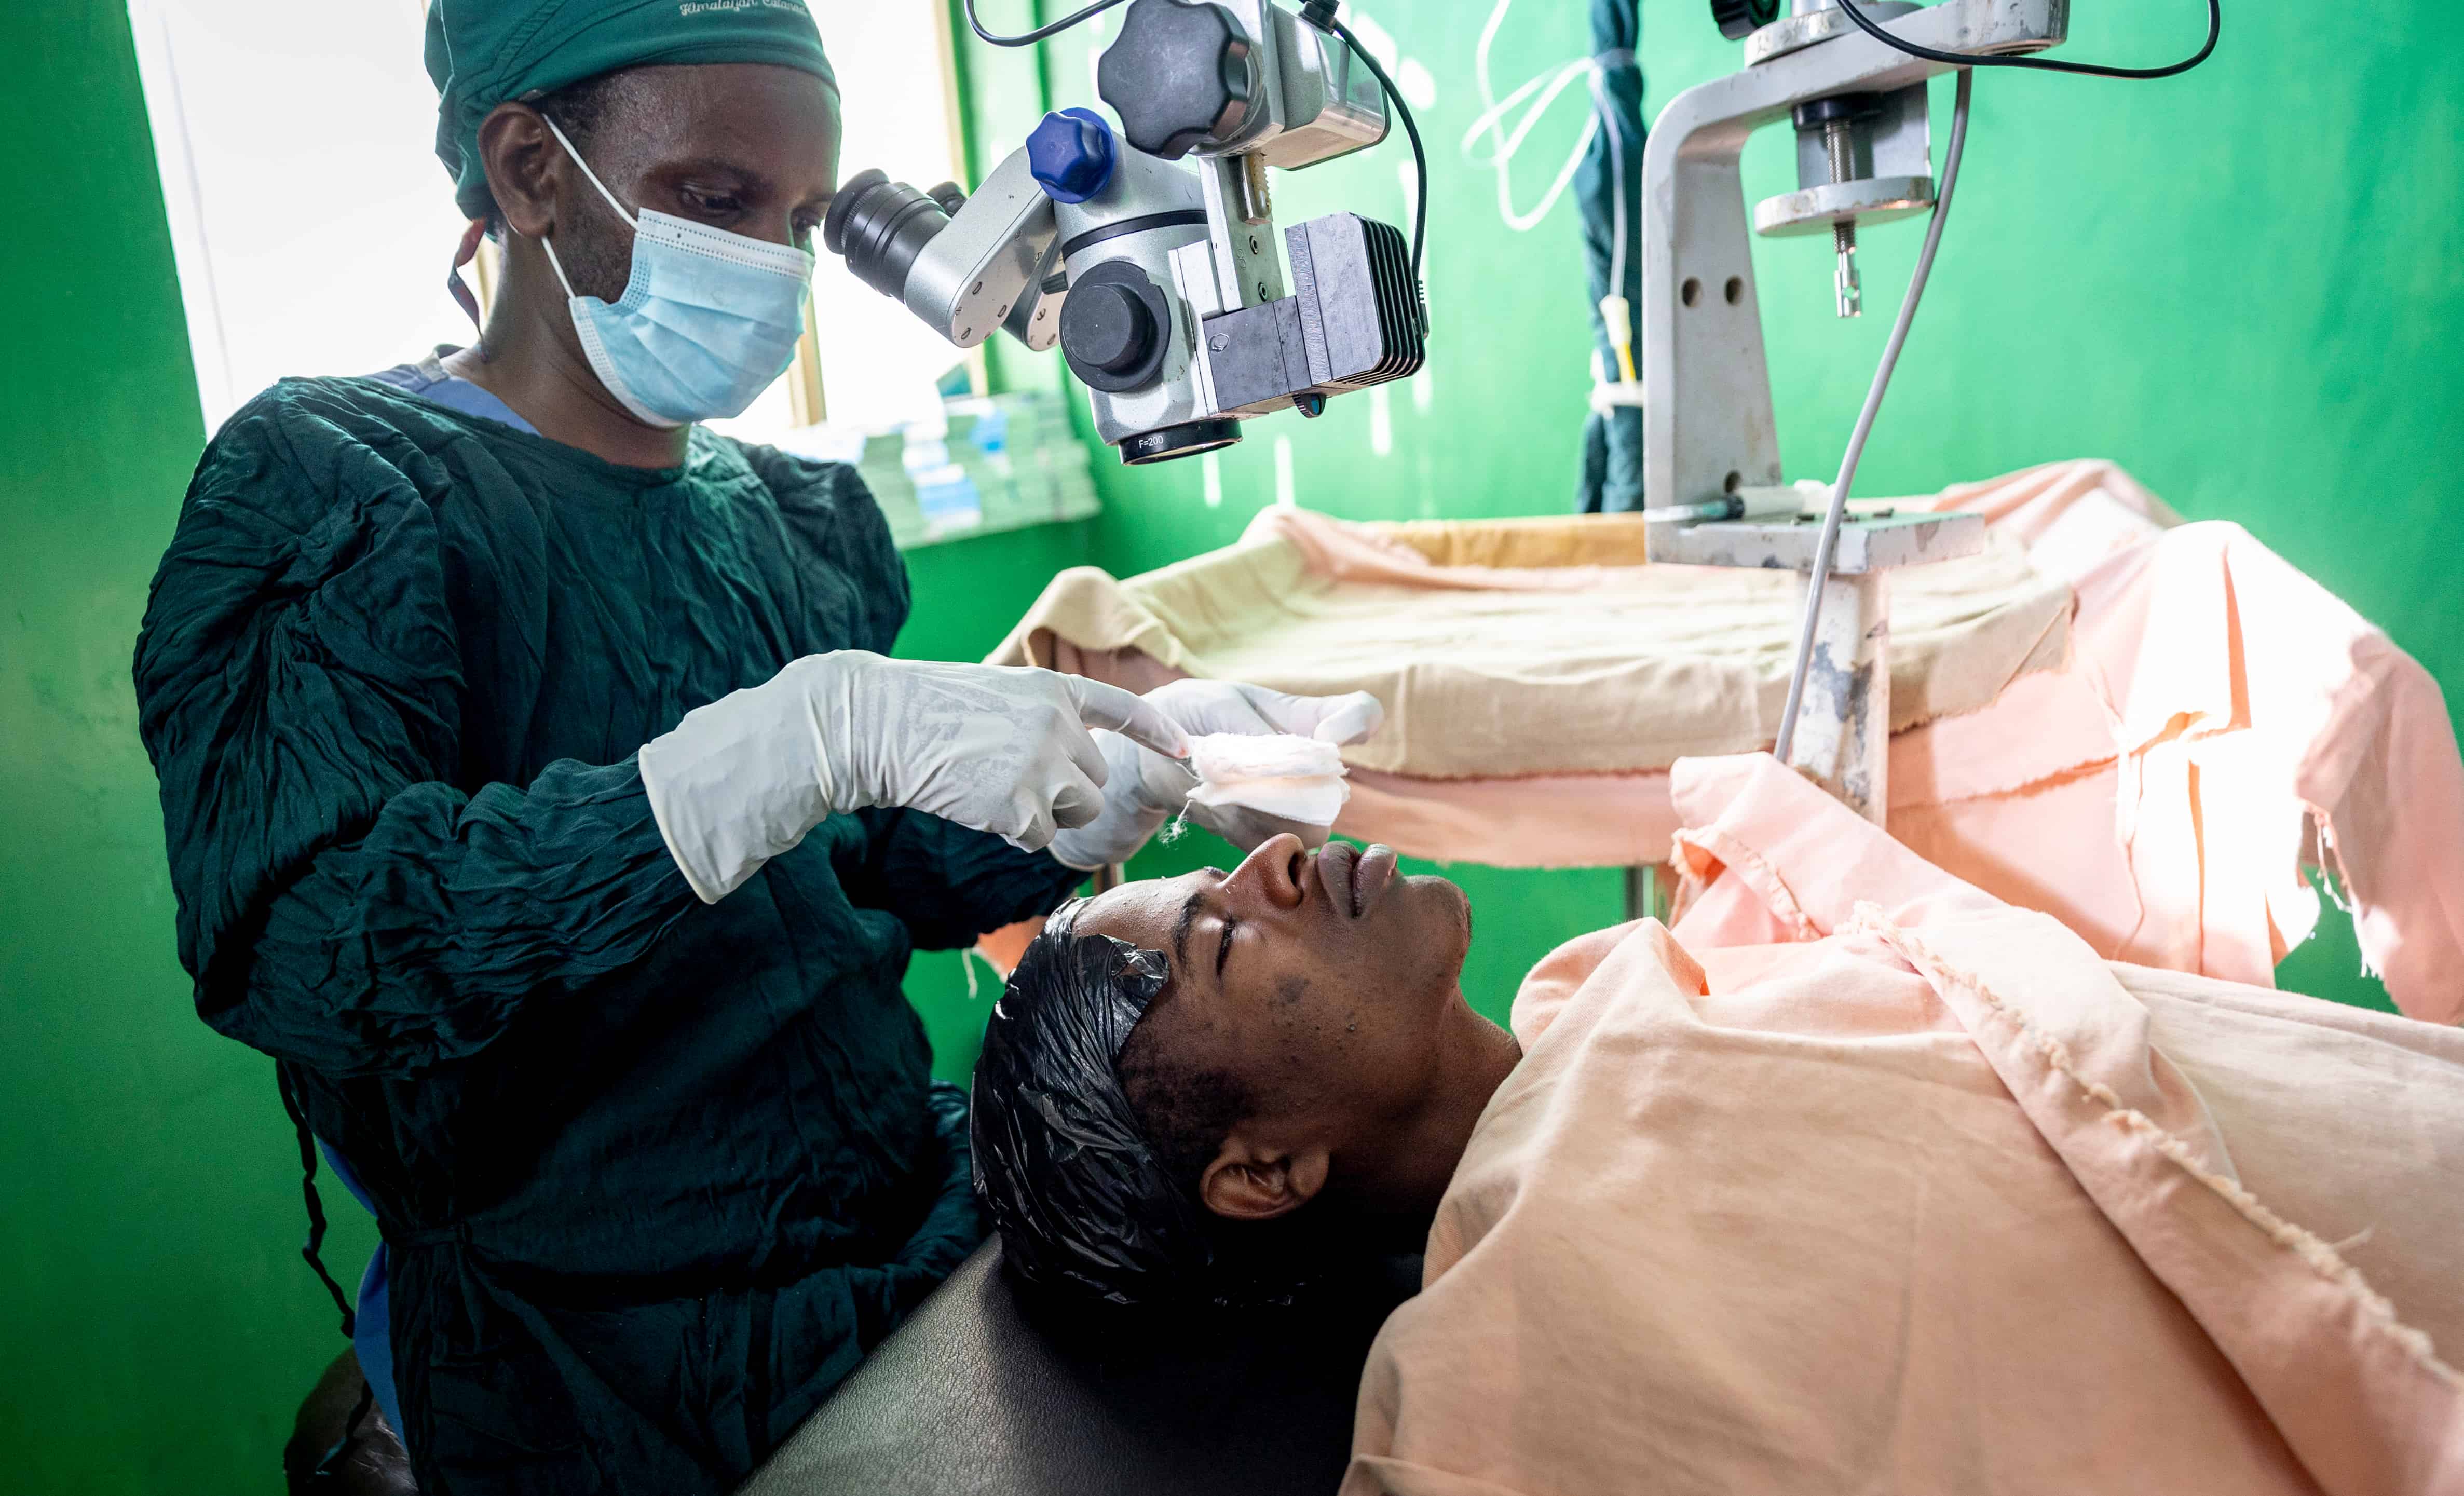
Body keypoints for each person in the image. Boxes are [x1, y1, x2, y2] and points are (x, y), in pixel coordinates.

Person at [130, 4, 1376, 1492]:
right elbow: (314, 949)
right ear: (528, 170)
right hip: (599, 1335)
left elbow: (872, 871)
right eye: (715, 201)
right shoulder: (338, 488)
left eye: (798, 218)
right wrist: (782, 746)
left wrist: (1116, 775)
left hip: (909, 1203)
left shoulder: (782, 515)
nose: (772, 266)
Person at [972, 758, 2464, 1493]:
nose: (1278, 862)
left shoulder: (1608, 991)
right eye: (1221, 944)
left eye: (1227, 876)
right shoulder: (1494, 1361)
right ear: (1264, 1168)